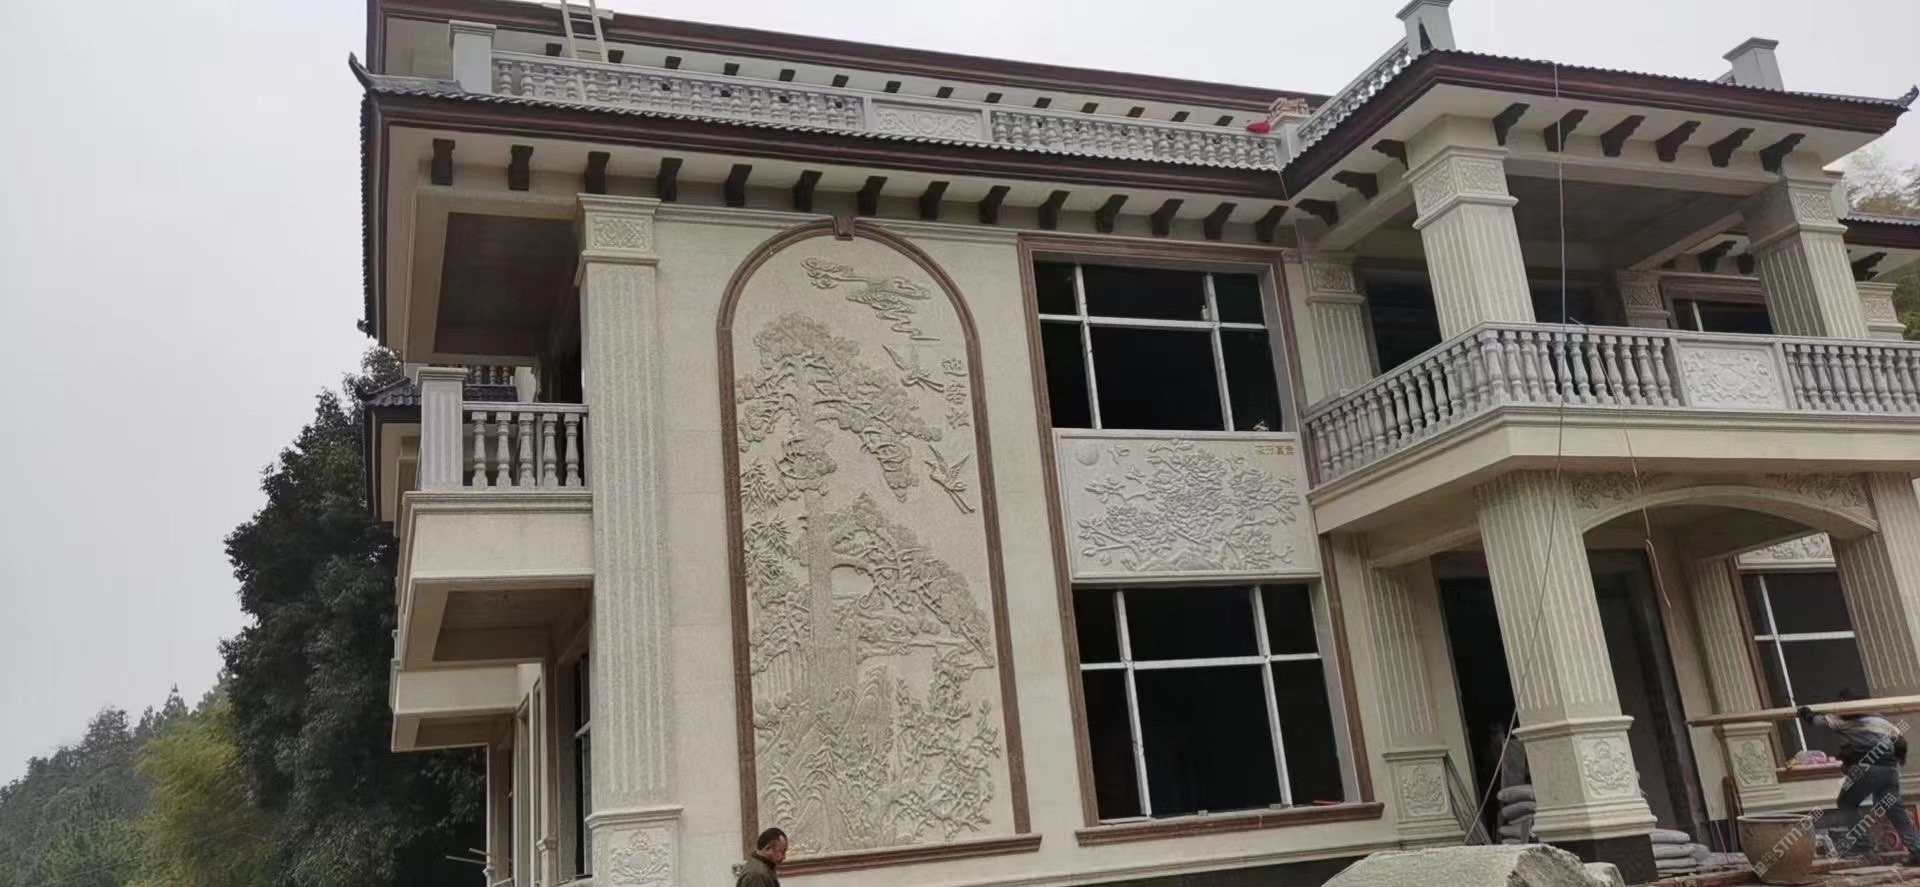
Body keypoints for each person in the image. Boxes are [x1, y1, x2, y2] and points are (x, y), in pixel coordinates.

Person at [1799, 689, 1920, 864]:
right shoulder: (1881, 721)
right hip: (1889, 770)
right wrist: (1898, 760)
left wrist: (1807, 714)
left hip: (1864, 769)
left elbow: (1819, 723)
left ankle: (1862, 847)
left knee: (1846, 803)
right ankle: (1917, 850)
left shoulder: (1843, 720)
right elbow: (1900, 744)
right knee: (1894, 809)